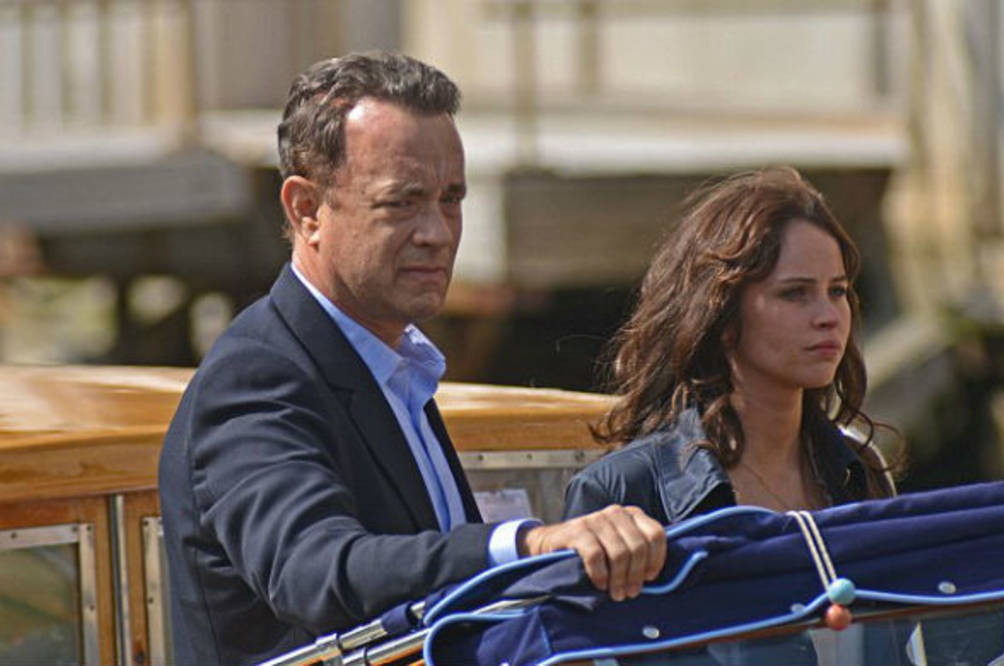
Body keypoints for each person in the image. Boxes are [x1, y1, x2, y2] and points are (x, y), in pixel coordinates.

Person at [158, 51, 665, 666]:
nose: (438, 232)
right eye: (402, 202)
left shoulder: (396, 366)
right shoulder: (256, 377)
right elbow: (315, 572)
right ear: (306, 211)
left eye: (451, 199)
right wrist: (527, 544)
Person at [563, 167, 897, 525]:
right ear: (722, 314)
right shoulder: (623, 490)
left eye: (837, 291)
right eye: (794, 293)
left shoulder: (859, 470)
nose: (828, 316)